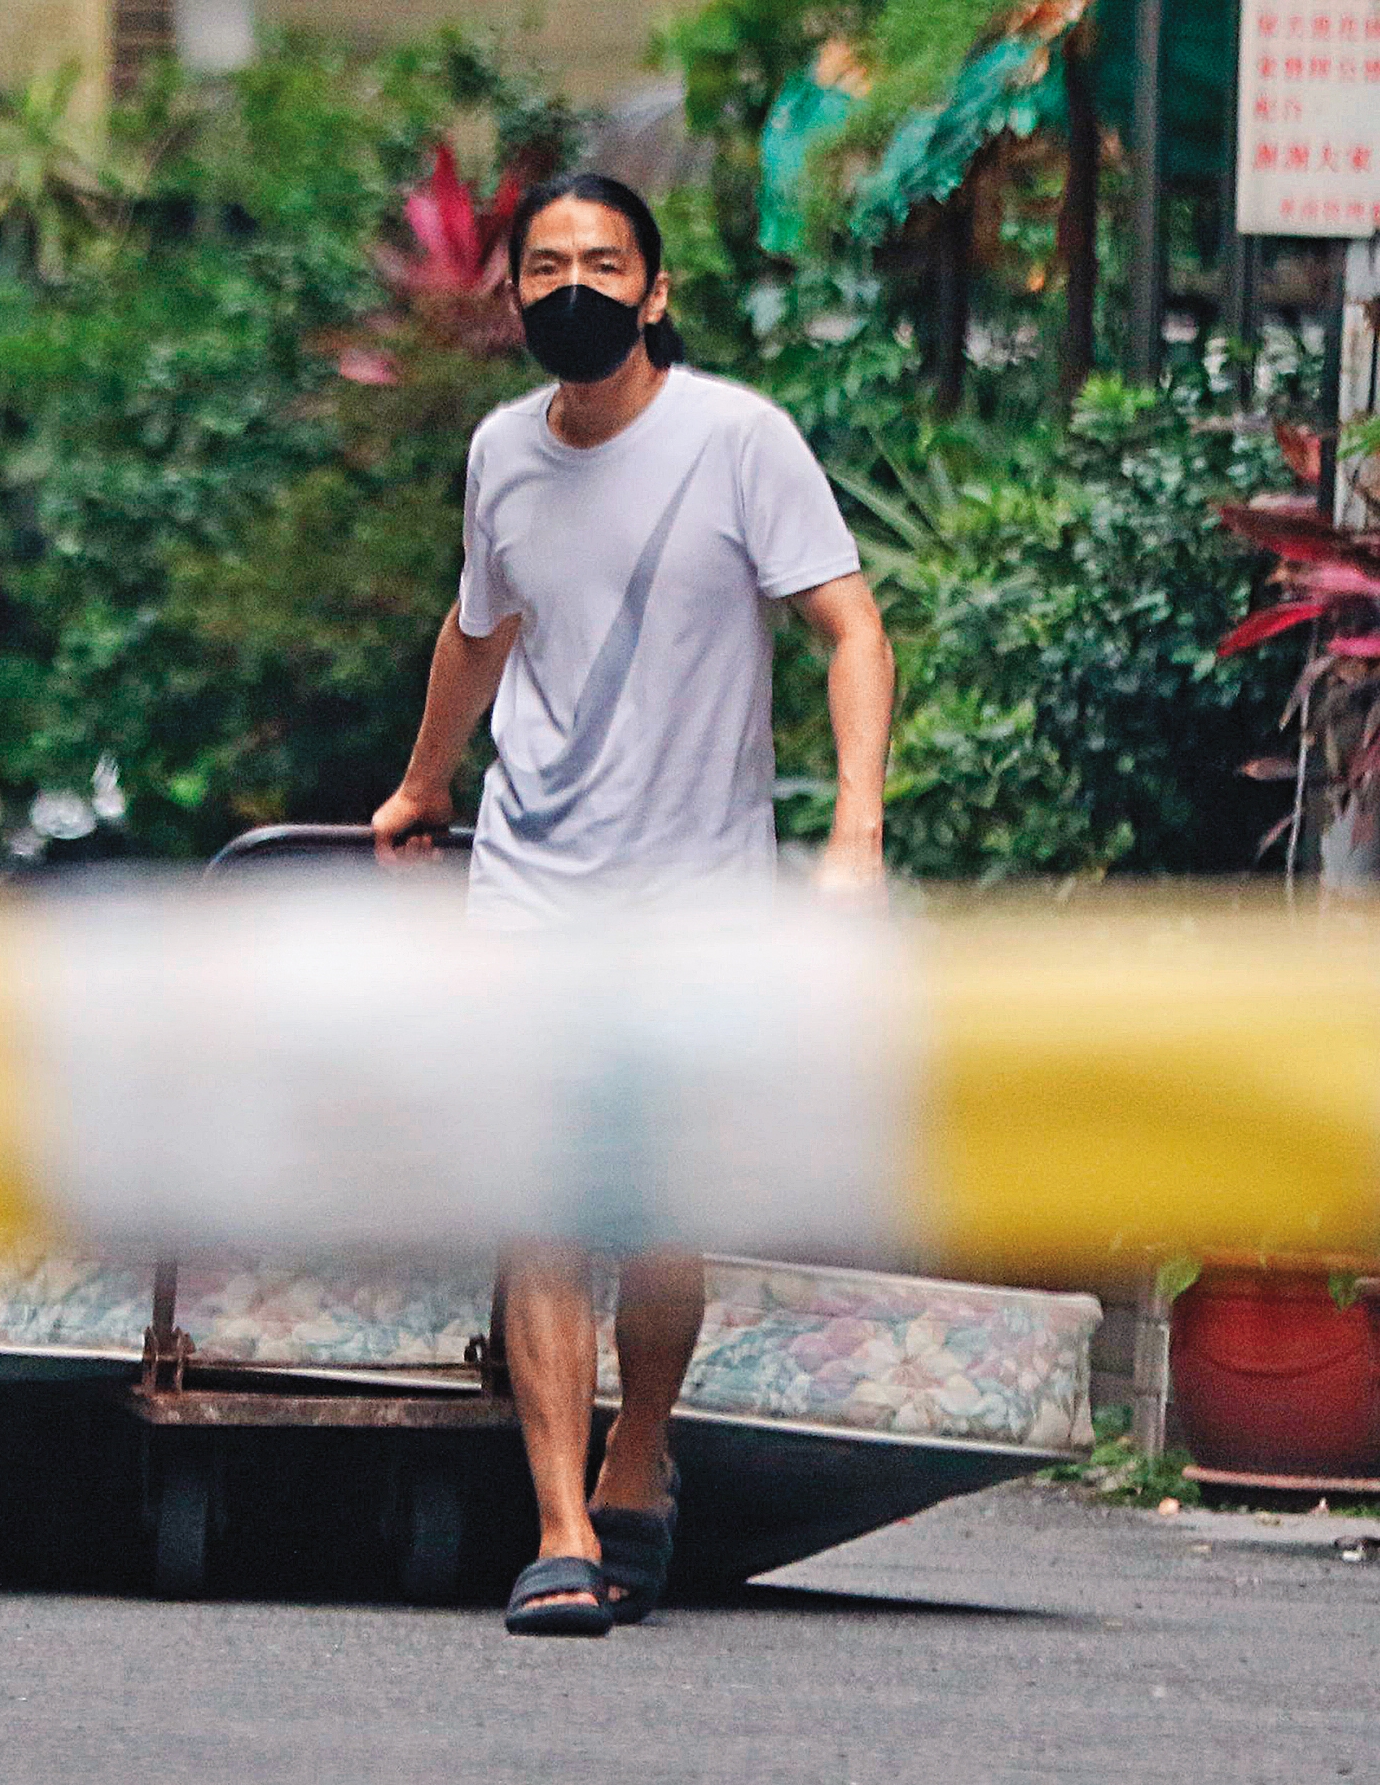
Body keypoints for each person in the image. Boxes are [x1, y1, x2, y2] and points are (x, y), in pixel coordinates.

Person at [370, 174, 892, 1636]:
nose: (576, 287)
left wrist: (854, 831)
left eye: (606, 264)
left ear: (655, 292)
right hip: (532, 883)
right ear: (513, 296)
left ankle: (639, 1446)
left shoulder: (737, 442)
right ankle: (557, 1527)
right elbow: (478, 634)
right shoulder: (499, 454)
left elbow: (849, 630)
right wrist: (420, 786)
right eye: (547, 267)